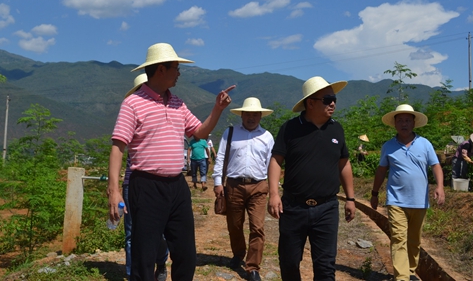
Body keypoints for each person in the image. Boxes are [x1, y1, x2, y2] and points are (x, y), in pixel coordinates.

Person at [107, 42, 235, 281]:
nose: (179, 73)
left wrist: (217, 109)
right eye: (176, 68)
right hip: (146, 186)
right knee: (144, 255)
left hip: (177, 186)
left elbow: (199, 133)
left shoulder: (178, 103)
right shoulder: (133, 103)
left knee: (186, 253)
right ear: (161, 69)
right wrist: (113, 191)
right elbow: (118, 147)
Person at [267, 76, 356, 280]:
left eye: (334, 99)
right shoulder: (290, 128)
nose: (332, 104)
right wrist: (274, 194)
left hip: (327, 208)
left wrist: (350, 198)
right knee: (289, 262)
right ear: (311, 103)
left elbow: (344, 163)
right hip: (293, 207)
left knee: (326, 266)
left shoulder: (336, 129)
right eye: (327, 100)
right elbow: (276, 161)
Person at [370, 104, 445, 281]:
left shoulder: (425, 144)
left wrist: (440, 186)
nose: (404, 124)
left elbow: (435, 166)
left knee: (414, 240)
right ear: (395, 124)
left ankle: (410, 271)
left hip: (419, 201)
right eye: (400, 121)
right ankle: (402, 277)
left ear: (414, 123)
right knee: (398, 238)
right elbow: (381, 171)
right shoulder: (388, 146)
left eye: (407, 120)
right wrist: (374, 193)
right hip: (396, 200)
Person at [213, 97, 275, 281]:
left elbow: (272, 164)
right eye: (248, 114)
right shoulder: (230, 132)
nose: (251, 117)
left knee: (257, 227)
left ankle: (253, 267)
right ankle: (238, 253)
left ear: (260, 116)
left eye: (255, 114)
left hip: (259, 186)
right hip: (234, 185)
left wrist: (274, 189)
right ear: (242, 115)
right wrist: (218, 182)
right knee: (234, 225)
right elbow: (221, 157)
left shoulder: (267, 137)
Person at [121, 73, 169, 280]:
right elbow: (118, 148)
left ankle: (161, 262)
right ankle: (134, 274)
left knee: (160, 232)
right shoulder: (130, 113)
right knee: (131, 233)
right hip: (132, 183)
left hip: (158, 185)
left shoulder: (165, 117)